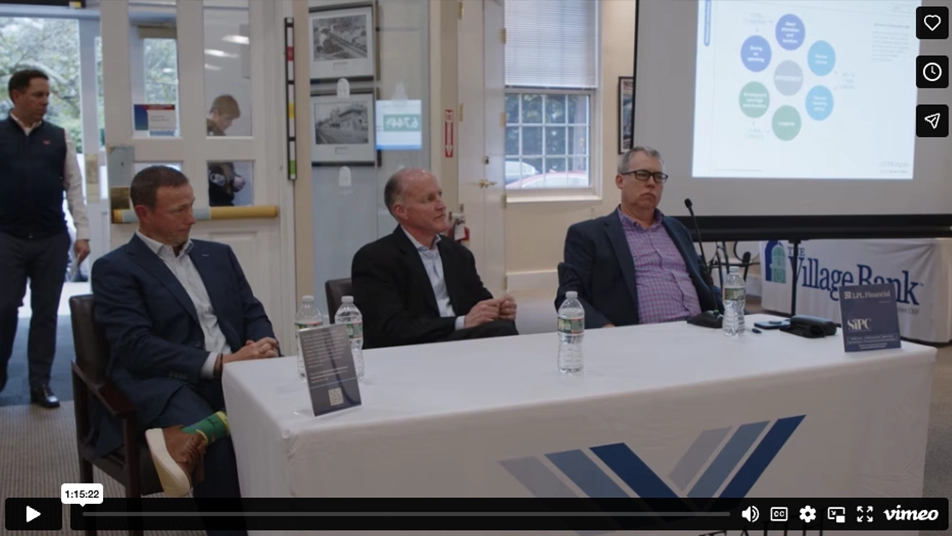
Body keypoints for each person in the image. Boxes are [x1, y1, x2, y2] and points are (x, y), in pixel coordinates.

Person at [91, 166, 277, 520]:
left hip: (236, 370)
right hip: (168, 382)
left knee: (293, 420)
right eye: (179, 210)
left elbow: (251, 310)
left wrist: (264, 345)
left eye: (191, 206)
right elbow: (136, 346)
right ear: (144, 213)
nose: (191, 218)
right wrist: (220, 363)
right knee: (218, 447)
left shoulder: (218, 255)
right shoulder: (116, 269)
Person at [0, 68, 90, 408]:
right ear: (16, 95)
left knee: (46, 313)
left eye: (47, 95)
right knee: (4, 307)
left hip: (50, 238)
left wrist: (83, 233)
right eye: (38, 95)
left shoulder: (59, 137)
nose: (45, 101)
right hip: (7, 237)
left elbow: (74, 187)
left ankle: (40, 383)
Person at [352, 168, 519, 349]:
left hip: (460, 343)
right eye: (429, 199)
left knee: (502, 327)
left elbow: (479, 302)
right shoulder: (375, 259)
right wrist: (461, 322)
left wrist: (498, 310)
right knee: (500, 332)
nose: (441, 205)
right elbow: (390, 328)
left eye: (440, 195)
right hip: (414, 349)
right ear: (401, 211)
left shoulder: (457, 253)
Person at [555, 146, 721, 328]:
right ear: (620, 181)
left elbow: (705, 285)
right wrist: (606, 329)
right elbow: (569, 297)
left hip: (700, 330)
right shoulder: (589, 234)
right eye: (642, 175)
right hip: (636, 336)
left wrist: (734, 314)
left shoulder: (677, 229)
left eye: (658, 177)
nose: (651, 183)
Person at [206, 95, 246, 207]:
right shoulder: (207, 136)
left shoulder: (217, 135)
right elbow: (208, 171)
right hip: (214, 201)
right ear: (215, 113)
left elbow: (223, 167)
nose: (230, 124)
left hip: (220, 198)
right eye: (227, 118)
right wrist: (231, 180)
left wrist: (234, 178)